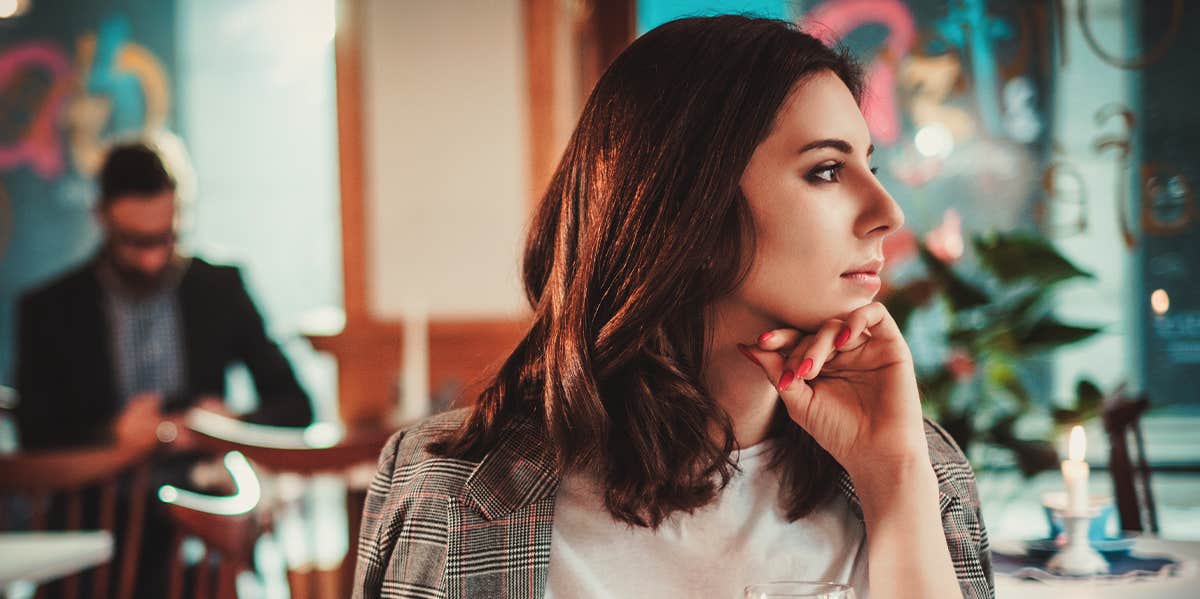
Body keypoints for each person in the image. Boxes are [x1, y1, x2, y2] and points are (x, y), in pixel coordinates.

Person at [354, 16, 992, 599]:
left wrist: (898, 480)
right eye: (826, 170)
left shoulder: (918, 467)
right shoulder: (459, 494)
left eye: (869, 165)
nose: (888, 213)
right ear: (689, 205)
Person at [14, 140, 313, 447]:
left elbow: (296, 407)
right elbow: (33, 436)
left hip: (203, 484)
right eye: (135, 242)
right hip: (98, 488)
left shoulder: (219, 289)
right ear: (101, 217)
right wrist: (111, 435)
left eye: (166, 238)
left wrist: (232, 423)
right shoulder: (49, 309)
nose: (152, 260)